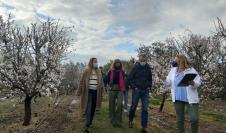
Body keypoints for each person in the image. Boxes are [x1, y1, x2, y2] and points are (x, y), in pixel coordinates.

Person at [160, 55, 201, 133]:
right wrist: (163, 79)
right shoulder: (173, 70)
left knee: (194, 119)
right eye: (176, 61)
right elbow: (169, 82)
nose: (176, 62)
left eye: (177, 61)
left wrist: (193, 83)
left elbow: (198, 83)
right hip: (178, 98)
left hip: (190, 98)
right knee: (180, 119)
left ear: (182, 61)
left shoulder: (191, 70)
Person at [77, 58, 104, 132]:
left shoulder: (99, 71)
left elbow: (101, 83)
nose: (96, 63)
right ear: (91, 63)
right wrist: (78, 91)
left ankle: (90, 122)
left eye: (96, 62)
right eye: (94, 62)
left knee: (93, 108)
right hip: (88, 92)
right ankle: (87, 125)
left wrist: (102, 92)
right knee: (88, 108)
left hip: (96, 92)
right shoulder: (86, 71)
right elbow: (82, 81)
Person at [128, 53, 152, 133]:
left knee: (145, 109)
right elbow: (130, 78)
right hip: (137, 90)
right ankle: (130, 121)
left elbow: (150, 78)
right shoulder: (135, 67)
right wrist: (134, 87)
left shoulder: (148, 67)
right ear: (139, 58)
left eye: (144, 57)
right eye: (141, 57)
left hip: (145, 90)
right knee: (134, 106)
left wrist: (149, 86)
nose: (143, 58)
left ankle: (144, 127)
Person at [107, 59, 125, 127]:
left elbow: (124, 80)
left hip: (120, 89)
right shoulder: (110, 71)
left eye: (119, 63)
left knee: (120, 104)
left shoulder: (122, 72)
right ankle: (112, 120)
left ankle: (118, 120)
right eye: (116, 63)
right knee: (112, 105)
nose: (118, 64)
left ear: (120, 64)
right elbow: (108, 80)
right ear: (114, 64)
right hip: (112, 88)